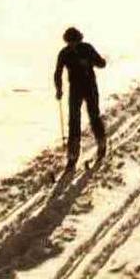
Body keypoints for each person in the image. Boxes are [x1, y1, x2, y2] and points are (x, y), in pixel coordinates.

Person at [54, 26, 107, 175]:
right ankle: (72, 155)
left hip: (89, 87)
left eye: (74, 41)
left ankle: (101, 143)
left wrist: (93, 61)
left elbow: (101, 63)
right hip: (76, 89)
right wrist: (59, 89)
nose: (72, 45)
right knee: (74, 121)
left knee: (94, 116)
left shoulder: (87, 48)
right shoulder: (64, 53)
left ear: (79, 39)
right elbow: (57, 72)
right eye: (70, 42)